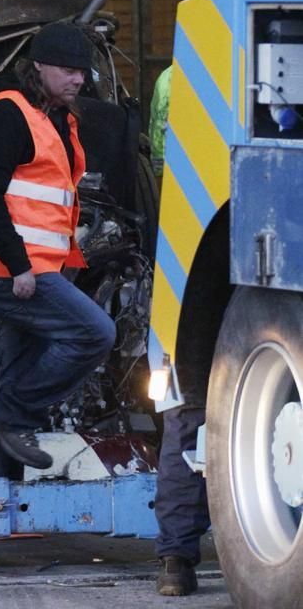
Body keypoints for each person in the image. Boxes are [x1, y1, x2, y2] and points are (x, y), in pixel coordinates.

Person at [0, 21, 116, 472]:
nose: (77, 79)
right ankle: (14, 417)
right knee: (95, 333)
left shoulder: (56, 118)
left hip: (33, 266)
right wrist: (19, 265)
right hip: (6, 270)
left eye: (82, 71)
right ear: (38, 66)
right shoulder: (9, 114)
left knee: (18, 372)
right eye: (66, 69)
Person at [149, 64, 210, 598]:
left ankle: (176, 560)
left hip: (189, 253)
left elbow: (158, 161)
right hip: (194, 253)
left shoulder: (176, 75)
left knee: (185, 413)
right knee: (186, 412)